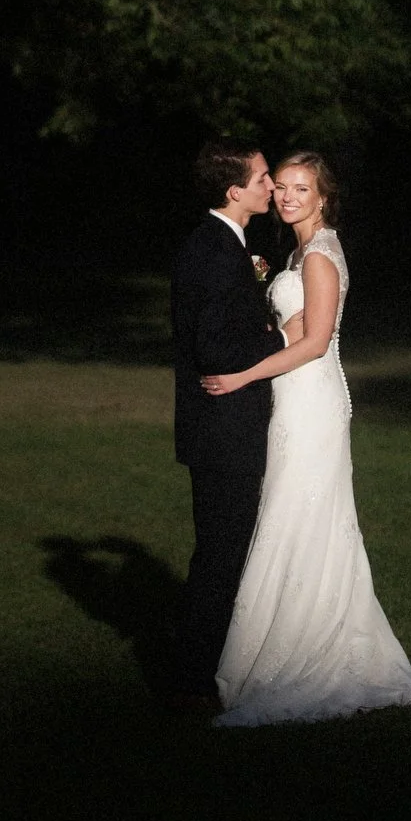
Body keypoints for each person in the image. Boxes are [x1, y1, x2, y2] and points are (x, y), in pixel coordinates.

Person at [201, 150, 411, 727]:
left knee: (300, 515)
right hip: (293, 399)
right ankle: (279, 645)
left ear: (323, 197)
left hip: (311, 403)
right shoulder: (301, 252)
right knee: (288, 514)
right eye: (280, 186)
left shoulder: (319, 256)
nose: (286, 196)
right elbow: (294, 328)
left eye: (300, 188)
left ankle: (310, 653)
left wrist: (241, 375)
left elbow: (315, 343)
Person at [168, 138, 288, 711]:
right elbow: (214, 345)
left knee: (223, 553)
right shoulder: (215, 251)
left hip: (222, 429)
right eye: (263, 178)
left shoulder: (226, 244)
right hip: (223, 430)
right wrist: (273, 338)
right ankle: (196, 683)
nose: (272, 186)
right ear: (234, 190)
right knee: (220, 557)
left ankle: (206, 670)